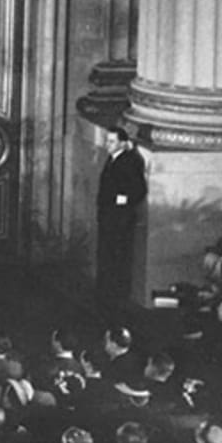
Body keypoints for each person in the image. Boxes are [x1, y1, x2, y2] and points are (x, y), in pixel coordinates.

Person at [96, 126, 147, 308]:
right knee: (108, 255)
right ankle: (107, 292)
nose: (106, 145)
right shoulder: (112, 159)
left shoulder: (129, 161)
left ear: (123, 143)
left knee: (118, 256)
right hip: (109, 217)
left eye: (111, 141)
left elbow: (138, 190)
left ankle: (115, 295)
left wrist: (120, 200)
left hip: (119, 219)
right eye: (106, 140)